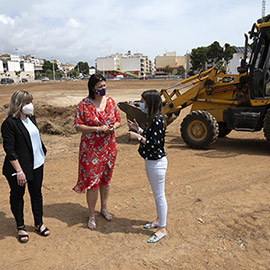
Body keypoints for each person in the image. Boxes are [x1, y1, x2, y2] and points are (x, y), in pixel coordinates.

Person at [73, 73, 121, 230]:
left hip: (109, 148)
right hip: (91, 150)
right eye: (100, 87)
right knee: (93, 183)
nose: (103, 89)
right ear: (92, 88)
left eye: (104, 86)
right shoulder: (84, 105)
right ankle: (91, 214)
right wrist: (97, 129)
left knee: (106, 180)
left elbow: (118, 120)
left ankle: (104, 209)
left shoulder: (111, 102)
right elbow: (78, 126)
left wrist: (114, 127)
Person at [1, 90, 50, 243]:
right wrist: (19, 171)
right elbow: (10, 150)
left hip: (36, 164)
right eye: (27, 102)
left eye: (31, 102)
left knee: (36, 194)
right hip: (19, 169)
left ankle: (38, 223)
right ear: (18, 104)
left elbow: (34, 138)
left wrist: (42, 152)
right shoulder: (9, 123)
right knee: (17, 196)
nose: (31, 105)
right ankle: (21, 226)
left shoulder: (31, 118)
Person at [128, 89, 168, 243]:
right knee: (157, 195)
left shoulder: (157, 120)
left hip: (156, 163)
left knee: (159, 196)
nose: (141, 104)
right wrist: (138, 129)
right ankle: (158, 221)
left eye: (143, 101)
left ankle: (162, 229)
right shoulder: (154, 119)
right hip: (152, 162)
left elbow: (154, 144)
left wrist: (137, 137)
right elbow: (151, 136)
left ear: (150, 103)